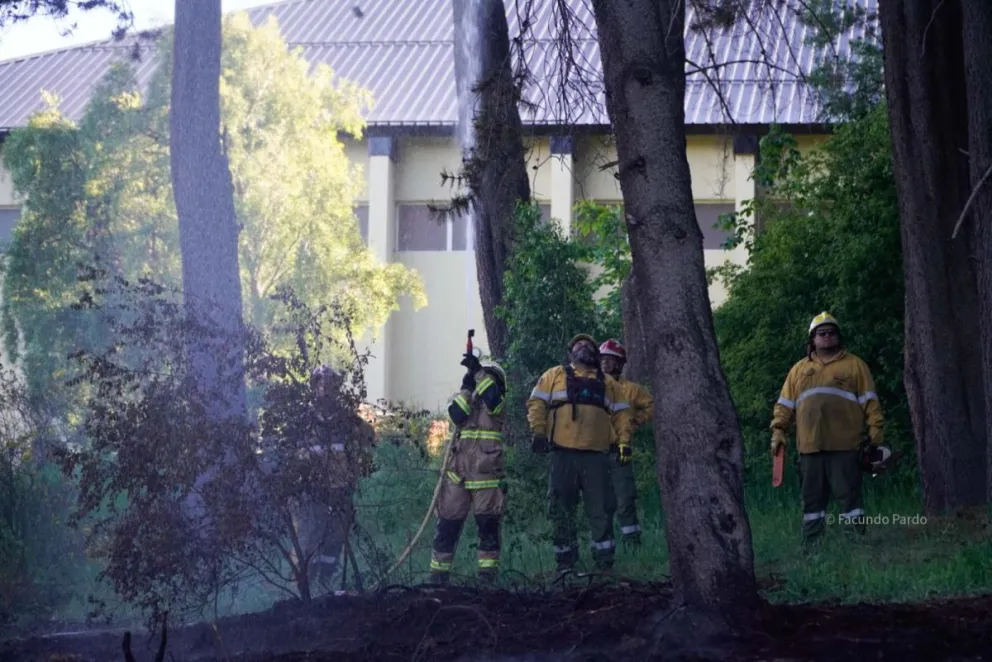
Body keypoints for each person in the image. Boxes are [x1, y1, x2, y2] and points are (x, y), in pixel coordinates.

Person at [770, 312, 885, 543]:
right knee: (812, 500)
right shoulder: (799, 369)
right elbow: (785, 404)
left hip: (845, 445)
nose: (827, 337)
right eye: (822, 333)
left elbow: (870, 402)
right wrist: (779, 430)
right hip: (810, 447)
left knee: (850, 498)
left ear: (838, 336)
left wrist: (876, 432)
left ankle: (856, 542)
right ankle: (812, 547)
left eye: (832, 333)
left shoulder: (855, 365)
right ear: (812, 339)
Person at [527, 333, 633, 573]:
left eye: (589, 345)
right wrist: (539, 432)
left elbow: (623, 416)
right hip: (561, 455)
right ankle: (566, 564)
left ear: (595, 355)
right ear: (570, 352)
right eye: (579, 344)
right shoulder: (554, 375)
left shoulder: (608, 383)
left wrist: (624, 442)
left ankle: (604, 565)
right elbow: (536, 404)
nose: (584, 346)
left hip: (597, 457)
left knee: (601, 509)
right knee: (560, 509)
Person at [429, 353, 508, 585]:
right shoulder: (466, 402)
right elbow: (455, 415)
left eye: (486, 380)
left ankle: (486, 580)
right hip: (457, 479)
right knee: (446, 529)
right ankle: (438, 579)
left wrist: (479, 372)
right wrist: (466, 387)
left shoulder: (498, 404)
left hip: (487, 480)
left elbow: (492, 399)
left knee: (488, 531)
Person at [298, 364, 375, 589]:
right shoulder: (304, 421)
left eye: (330, 386)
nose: (325, 390)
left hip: (341, 489)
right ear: (314, 389)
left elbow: (370, 438)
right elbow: (292, 455)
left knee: (335, 539)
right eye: (321, 385)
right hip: (314, 491)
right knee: (312, 539)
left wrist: (359, 464)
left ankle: (326, 581)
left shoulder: (347, 420)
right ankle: (307, 587)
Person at [598, 338, 653, 546]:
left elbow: (651, 406)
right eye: (602, 359)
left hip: (619, 450)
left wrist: (635, 421)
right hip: (595, 451)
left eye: (611, 360)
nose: (605, 363)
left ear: (620, 363)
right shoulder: (593, 384)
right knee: (601, 503)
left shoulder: (632, 389)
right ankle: (604, 547)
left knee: (625, 499)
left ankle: (633, 544)